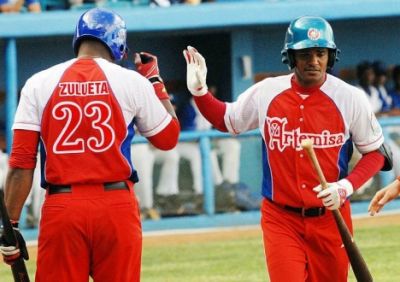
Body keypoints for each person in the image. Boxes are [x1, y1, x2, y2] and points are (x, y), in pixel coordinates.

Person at [183, 16, 392, 282]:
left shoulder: (349, 97)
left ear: (331, 56)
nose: (314, 61)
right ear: (291, 57)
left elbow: (376, 154)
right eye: (305, 54)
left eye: (320, 53)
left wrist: (345, 187)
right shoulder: (268, 91)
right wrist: (200, 91)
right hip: (281, 218)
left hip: (331, 218)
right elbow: (226, 119)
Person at [0, 7, 179, 282]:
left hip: (62, 208)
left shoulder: (38, 82)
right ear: (118, 43)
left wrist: (9, 226)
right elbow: (168, 139)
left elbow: (21, 162)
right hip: (116, 206)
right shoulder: (132, 81)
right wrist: (154, 80)